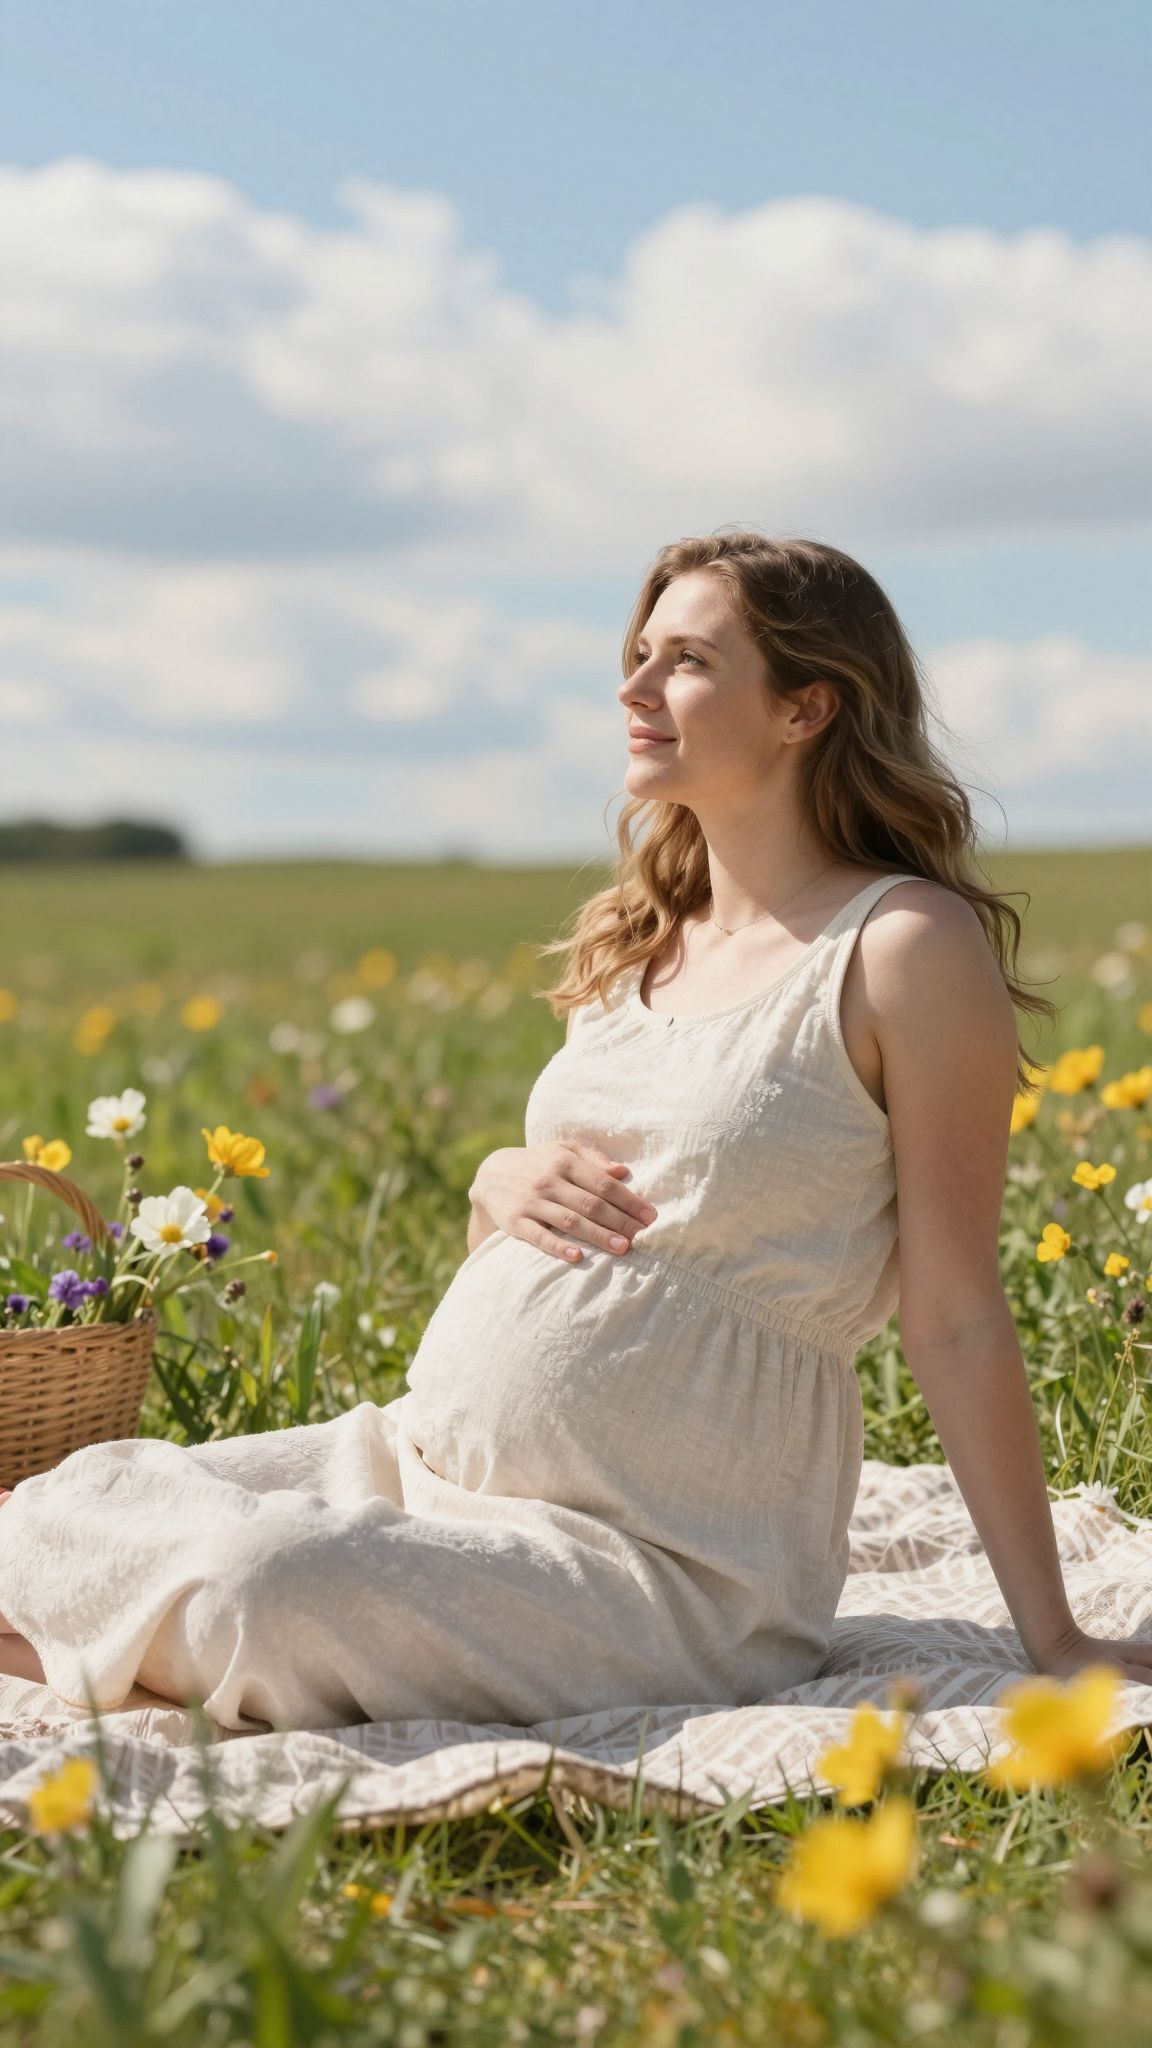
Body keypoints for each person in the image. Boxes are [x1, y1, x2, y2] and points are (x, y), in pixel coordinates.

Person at [4, 529, 1150, 1731]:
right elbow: (513, 1243)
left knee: (265, 1579)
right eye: (639, 653)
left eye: (688, 660)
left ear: (807, 705)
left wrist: (1054, 1633)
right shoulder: (647, 937)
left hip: (662, 1560)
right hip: (421, 1472)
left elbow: (958, 1310)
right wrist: (496, 1181)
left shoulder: (900, 948)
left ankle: (96, 1650)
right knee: (63, 1503)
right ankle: (136, 1642)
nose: (634, 687)